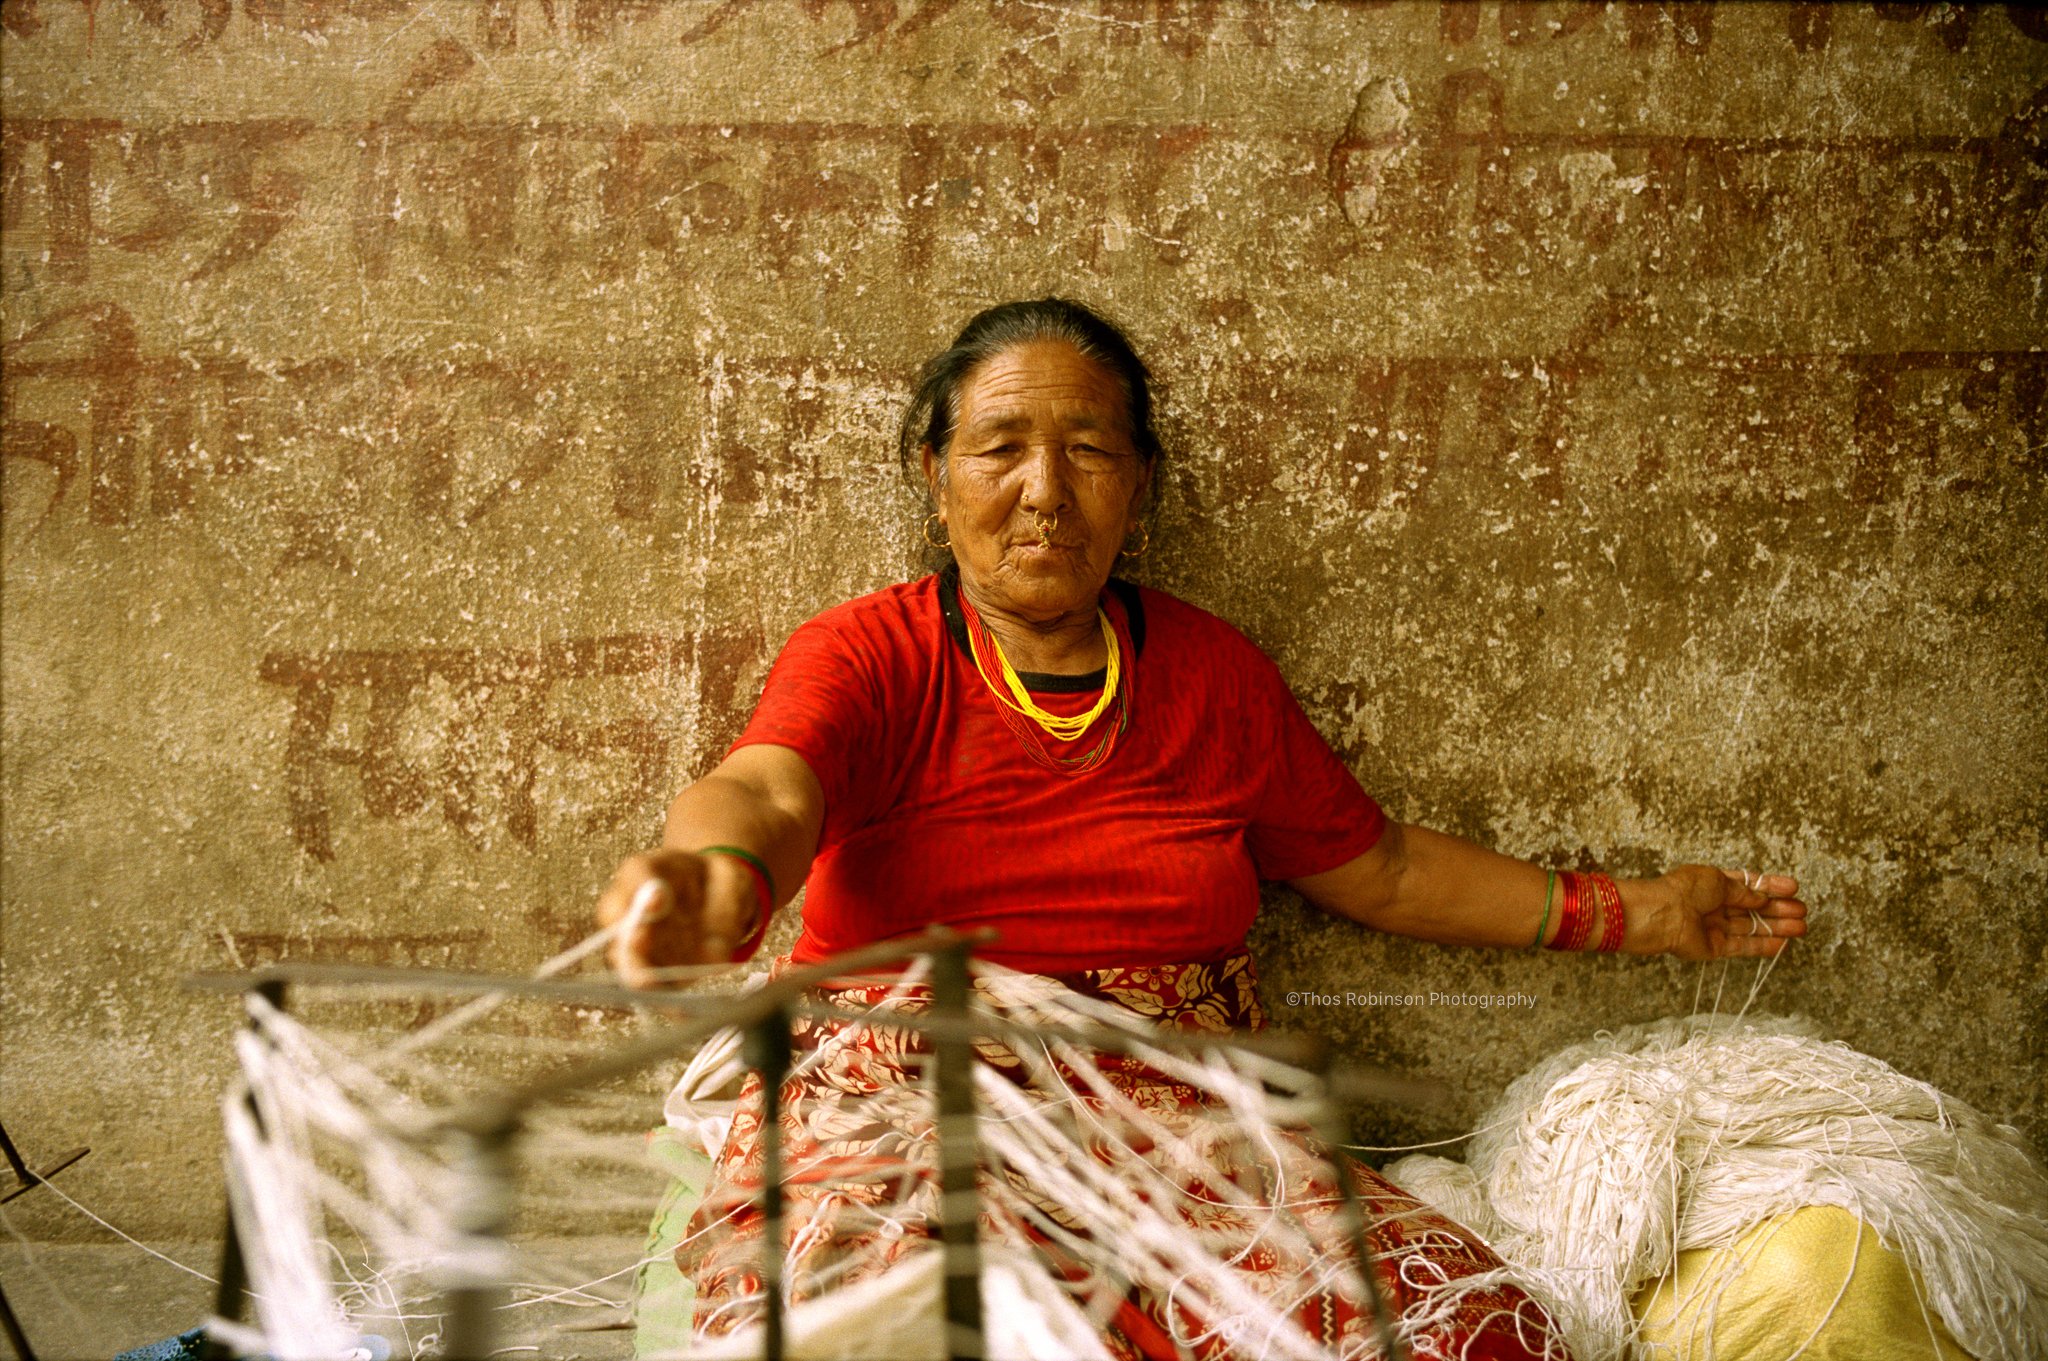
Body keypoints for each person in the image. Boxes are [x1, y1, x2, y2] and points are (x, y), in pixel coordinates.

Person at [596, 298, 1807, 1360]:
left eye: (1086, 451)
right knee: (893, 1331)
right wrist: (711, 873)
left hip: (1183, 1115)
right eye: (998, 448)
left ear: (1138, 482)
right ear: (934, 472)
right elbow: (765, 788)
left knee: (1464, 1331)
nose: (1041, 492)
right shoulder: (872, 652)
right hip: (913, 1106)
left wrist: (1639, 911)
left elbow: (1374, 864)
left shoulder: (1210, 674)